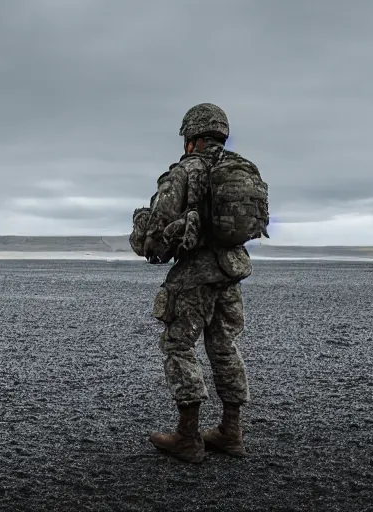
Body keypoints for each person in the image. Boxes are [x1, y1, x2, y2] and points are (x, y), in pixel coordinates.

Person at [129, 103, 269, 464]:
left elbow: (154, 236)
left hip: (195, 276)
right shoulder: (238, 168)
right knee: (224, 346)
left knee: (178, 345)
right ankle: (231, 432)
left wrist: (142, 226)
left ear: (192, 138)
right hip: (230, 271)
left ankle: (188, 437)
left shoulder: (185, 171)